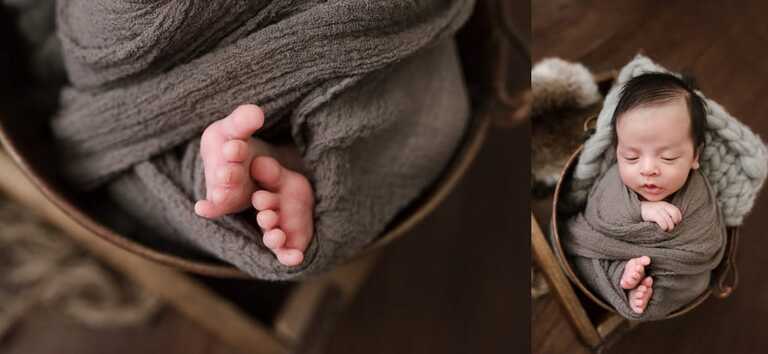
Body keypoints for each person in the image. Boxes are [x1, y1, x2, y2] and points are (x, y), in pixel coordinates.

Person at [607, 72, 709, 314]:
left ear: (695, 156)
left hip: (672, 269)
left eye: (668, 157)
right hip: (610, 251)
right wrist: (639, 209)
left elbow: (706, 241)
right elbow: (595, 214)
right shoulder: (612, 181)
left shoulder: (698, 195)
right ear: (616, 151)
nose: (648, 169)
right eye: (631, 157)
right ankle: (622, 276)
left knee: (698, 280)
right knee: (592, 260)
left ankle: (641, 286)